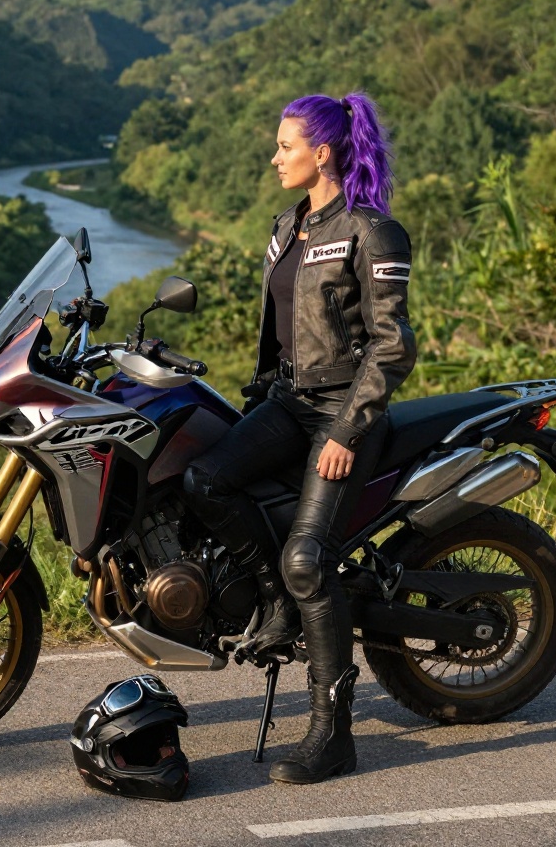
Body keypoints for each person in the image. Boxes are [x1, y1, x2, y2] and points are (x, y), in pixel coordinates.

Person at [183, 91, 416, 784]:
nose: (275, 156)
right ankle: (277, 603)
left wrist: (349, 426)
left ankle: (332, 735)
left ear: (322, 152)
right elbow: (280, 330)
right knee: (202, 479)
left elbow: (393, 346)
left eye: (285, 145)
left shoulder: (373, 230)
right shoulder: (290, 226)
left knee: (309, 560)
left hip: (345, 411)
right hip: (289, 401)